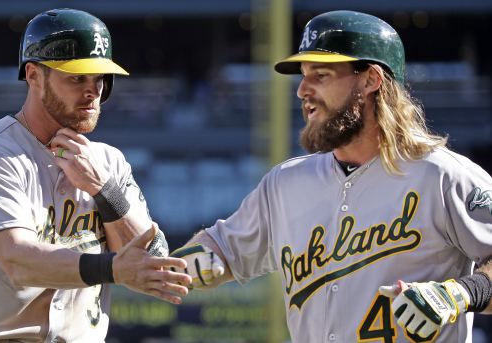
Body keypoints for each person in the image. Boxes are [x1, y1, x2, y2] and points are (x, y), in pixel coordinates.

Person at [170, 10, 492, 342]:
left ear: (370, 80)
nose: (302, 90)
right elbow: (222, 250)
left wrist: (461, 294)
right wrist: (188, 262)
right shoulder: (285, 183)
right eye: (303, 76)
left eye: (320, 75)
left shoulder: (441, 175)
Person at [0, 8, 191, 342]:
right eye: (76, 78)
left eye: (100, 78)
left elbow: (155, 266)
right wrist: (111, 268)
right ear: (33, 76)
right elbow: (19, 261)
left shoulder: (108, 162)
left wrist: (104, 191)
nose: (93, 91)